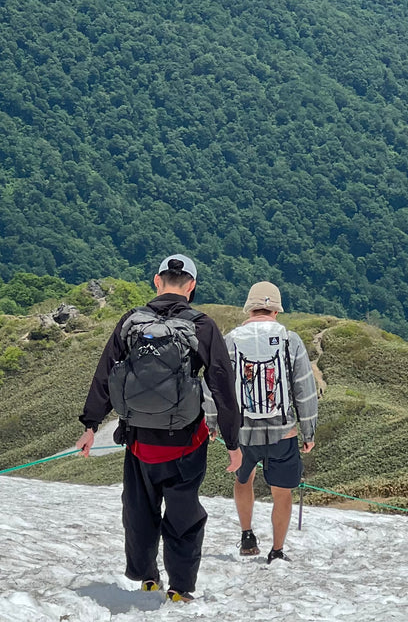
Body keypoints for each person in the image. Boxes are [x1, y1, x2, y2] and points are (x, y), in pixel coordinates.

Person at [77, 255, 242, 603]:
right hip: (185, 442)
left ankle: (147, 576)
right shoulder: (201, 325)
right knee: (183, 513)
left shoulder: (132, 322)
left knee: (138, 509)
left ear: (157, 281)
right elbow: (221, 384)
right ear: (191, 286)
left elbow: (105, 372)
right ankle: (179, 588)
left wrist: (91, 425)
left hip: (139, 440)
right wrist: (233, 440)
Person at [208, 281, 318, 562]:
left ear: (249, 307)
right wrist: (308, 431)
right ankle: (277, 551)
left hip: (242, 433)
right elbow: (304, 388)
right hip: (283, 432)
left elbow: (214, 385)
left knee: (243, 480)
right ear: (276, 311)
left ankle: (247, 536)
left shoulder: (230, 339)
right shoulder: (289, 340)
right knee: (282, 492)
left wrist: (211, 424)